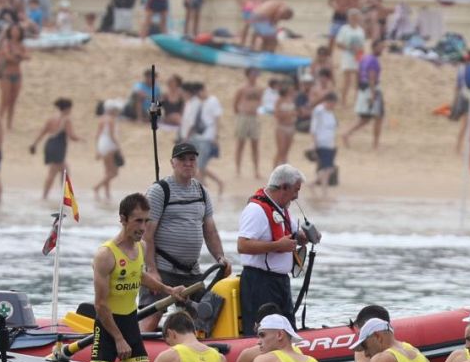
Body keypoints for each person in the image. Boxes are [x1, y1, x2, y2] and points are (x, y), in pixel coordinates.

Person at [84, 193, 184, 362]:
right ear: (123, 219)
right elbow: (100, 305)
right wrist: (118, 339)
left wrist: (168, 289)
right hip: (108, 329)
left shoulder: (140, 248)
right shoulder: (105, 255)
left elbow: (138, 275)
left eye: (146, 220)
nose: (143, 227)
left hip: (130, 326)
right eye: (138, 220)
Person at [140, 140, 229, 332]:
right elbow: (146, 235)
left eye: (191, 159)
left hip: (191, 272)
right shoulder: (159, 191)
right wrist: (152, 270)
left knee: (208, 314)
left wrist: (220, 257)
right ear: (173, 163)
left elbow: (210, 230)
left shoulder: (202, 192)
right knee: (150, 318)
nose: (187, 163)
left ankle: (190, 346)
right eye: (182, 159)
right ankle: (140, 347)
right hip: (162, 269)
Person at [238, 164, 307, 334]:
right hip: (260, 282)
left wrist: (303, 236)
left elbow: (292, 233)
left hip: (280, 282)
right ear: (284, 187)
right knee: (264, 332)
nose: (296, 196)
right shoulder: (256, 210)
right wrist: (277, 246)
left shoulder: (280, 209)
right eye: (295, 191)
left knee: (288, 331)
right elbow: (242, 245)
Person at [28, 97, 78, 201]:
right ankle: (61, 197)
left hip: (49, 145)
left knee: (58, 171)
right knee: (60, 172)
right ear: (67, 108)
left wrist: (34, 144)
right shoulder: (66, 119)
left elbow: (42, 132)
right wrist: (81, 139)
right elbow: (72, 136)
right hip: (58, 146)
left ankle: (49, 196)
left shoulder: (51, 119)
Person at [181, 81, 223, 193]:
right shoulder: (200, 103)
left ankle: (204, 191)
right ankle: (212, 185)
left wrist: (216, 137)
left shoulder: (213, 101)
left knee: (198, 167)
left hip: (208, 138)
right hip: (198, 138)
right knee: (200, 166)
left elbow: (217, 120)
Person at [343, 39, 384, 149]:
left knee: (365, 118)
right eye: (380, 47)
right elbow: (371, 77)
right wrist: (372, 93)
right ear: (374, 47)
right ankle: (375, 144)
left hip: (363, 89)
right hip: (372, 89)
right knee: (378, 117)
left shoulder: (364, 59)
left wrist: (358, 90)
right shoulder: (373, 61)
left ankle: (347, 133)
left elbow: (358, 73)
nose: (382, 49)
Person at [0, 21, 28, 130]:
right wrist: (18, 56)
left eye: (17, 31)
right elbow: (8, 57)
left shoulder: (21, 44)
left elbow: (28, 56)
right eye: (13, 30)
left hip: (17, 74)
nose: (15, 33)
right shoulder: (6, 43)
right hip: (6, 74)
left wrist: (18, 55)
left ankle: (9, 124)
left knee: (13, 101)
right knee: (4, 100)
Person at [232, 68, 262, 177]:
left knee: (255, 144)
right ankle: (238, 169)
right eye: (253, 74)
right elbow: (235, 103)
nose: (255, 76)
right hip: (244, 116)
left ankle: (256, 170)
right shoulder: (242, 88)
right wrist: (240, 113)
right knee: (240, 144)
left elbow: (261, 101)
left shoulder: (259, 89)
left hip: (254, 117)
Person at [334, 8, 367, 102]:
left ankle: (357, 100)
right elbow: (338, 43)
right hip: (347, 56)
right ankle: (343, 100)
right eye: (352, 17)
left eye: (356, 17)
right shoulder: (344, 29)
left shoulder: (360, 30)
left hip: (358, 56)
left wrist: (360, 56)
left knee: (358, 80)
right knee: (347, 80)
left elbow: (362, 45)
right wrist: (350, 48)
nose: (354, 19)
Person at [92, 99, 122, 200]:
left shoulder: (101, 119)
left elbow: (97, 135)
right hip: (109, 145)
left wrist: (97, 149)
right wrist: (118, 147)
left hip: (102, 144)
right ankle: (97, 187)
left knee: (107, 171)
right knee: (114, 172)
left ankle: (107, 194)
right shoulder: (111, 119)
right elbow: (112, 135)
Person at [309, 92, 338, 187]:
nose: (334, 105)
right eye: (333, 103)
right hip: (321, 142)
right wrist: (314, 142)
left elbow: (332, 128)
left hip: (330, 143)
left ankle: (320, 186)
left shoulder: (331, 112)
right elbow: (314, 127)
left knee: (328, 168)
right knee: (328, 167)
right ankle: (316, 184)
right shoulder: (319, 110)